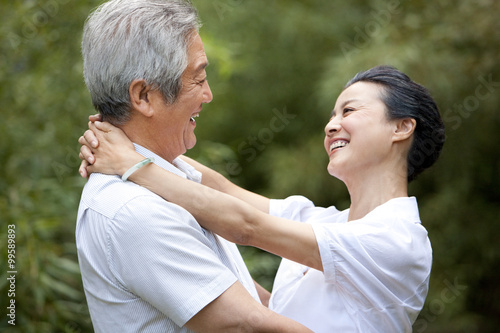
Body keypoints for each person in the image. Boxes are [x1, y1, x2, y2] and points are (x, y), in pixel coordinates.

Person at [79, 65, 445, 332]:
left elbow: (245, 225)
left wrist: (134, 164)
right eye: (332, 115)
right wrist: (131, 138)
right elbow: (223, 190)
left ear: (401, 127)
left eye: (348, 111)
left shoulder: (400, 240)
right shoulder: (320, 220)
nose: (331, 125)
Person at [75, 0, 312, 332]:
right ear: (143, 96)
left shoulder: (168, 177)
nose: (209, 95)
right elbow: (249, 325)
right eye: (198, 79)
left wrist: (128, 156)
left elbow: (245, 296)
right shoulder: (134, 210)